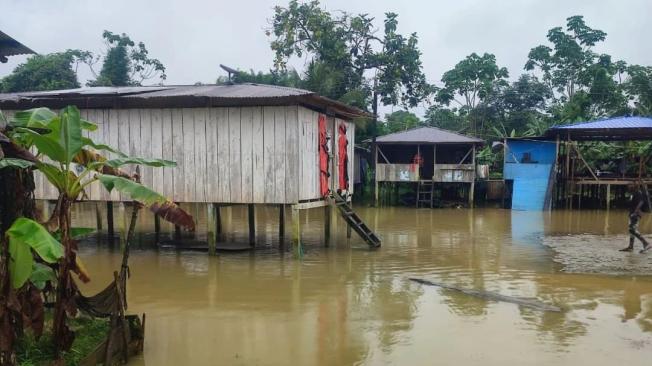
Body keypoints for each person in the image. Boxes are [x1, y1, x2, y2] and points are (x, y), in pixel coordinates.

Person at [620, 184, 650, 253]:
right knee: (631, 230)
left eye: (630, 185)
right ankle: (630, 247)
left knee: (632, 229)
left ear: (634, 186)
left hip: (636, 214)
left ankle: (646, 243)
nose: (628, 187)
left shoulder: (638, 193)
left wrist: (635, 212)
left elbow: (641, 202)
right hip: (632, 213)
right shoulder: (633, 193)